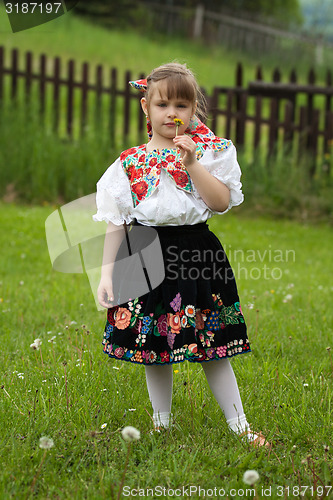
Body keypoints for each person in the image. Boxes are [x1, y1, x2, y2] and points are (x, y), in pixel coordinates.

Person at [93, 62, 269, 447]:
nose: (172, 113)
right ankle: (161, 424)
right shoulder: (130, 163)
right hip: (144, 255)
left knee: (212, 347)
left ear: (193, 110)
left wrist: (191, 164)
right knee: (156, 348)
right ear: (146, 107)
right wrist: (106, 275)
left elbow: (220, 202)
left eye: (182, 105)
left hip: (197, 254)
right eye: (162, 105)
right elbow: (114, 221)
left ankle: (241, 428)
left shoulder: (210, 153)